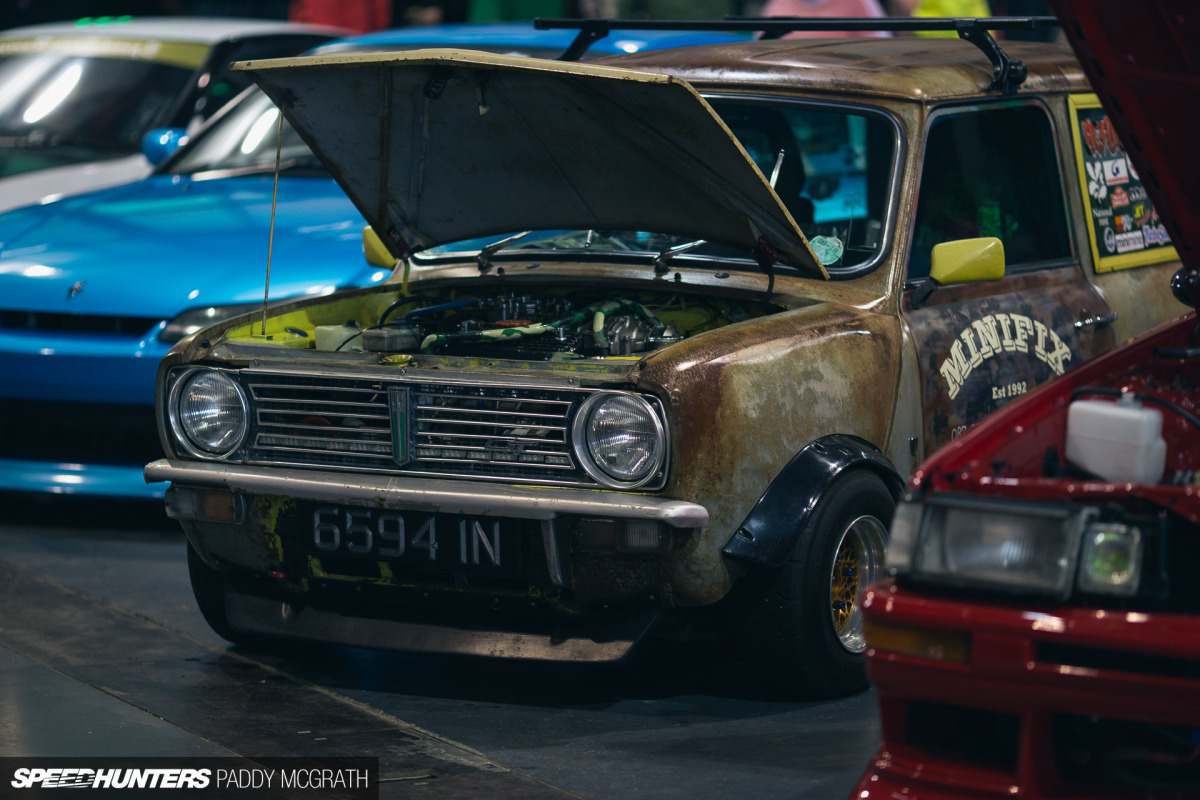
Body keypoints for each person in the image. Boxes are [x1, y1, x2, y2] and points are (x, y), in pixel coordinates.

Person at [761, 0, 890, 39]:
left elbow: (880, 48)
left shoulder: (860, 3)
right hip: (785, 90)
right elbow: (760, 50)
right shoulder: (776, 5)